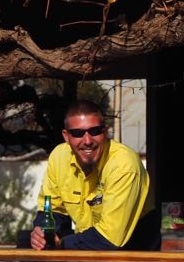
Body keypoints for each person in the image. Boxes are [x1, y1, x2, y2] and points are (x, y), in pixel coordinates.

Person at [29, 99, 155, 250]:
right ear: (66, 136)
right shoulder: (59, 157)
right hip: (87, 252)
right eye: (78, 133)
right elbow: (51, 210)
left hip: (134, 260)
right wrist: (43, 232)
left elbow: (109, 239)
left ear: (106, 132)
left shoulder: (124, 165)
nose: (87, 141)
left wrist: (61, 243)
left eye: (95, 131)